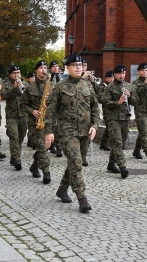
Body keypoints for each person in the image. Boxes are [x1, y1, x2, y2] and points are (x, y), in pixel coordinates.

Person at [44, 53, 100, 213]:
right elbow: (51, 110)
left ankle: (62, 189)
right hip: (67, 132)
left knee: (76, 162)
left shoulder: (88, 86)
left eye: (80, 65)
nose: (78, 67)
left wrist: (95, 125)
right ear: (67, 68)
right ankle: (82, 198)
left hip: (85, 132)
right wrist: (49, 131)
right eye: (74, 65)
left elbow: (95, 107)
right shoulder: (60, 86)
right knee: (76, 162)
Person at [101, 64, 139, 178]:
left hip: (125, 119)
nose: (121, 75)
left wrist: (130, 95)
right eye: (119, 73)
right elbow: (104, 101)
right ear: (115, 74)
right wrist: (117, 102)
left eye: (123, 73)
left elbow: (136, 101)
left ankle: (111, 164)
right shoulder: (110, 87)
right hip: (113, 119)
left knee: (120, 143)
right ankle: (122, 166)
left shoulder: (129, 86)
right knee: (117, 142)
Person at [20, 60, 53, 184]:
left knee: (42, 147)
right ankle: (46, 172)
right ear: (36, 70)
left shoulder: (52, 85)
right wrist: (32, 111)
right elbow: (22, 104)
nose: (43, 70)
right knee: (42, 146)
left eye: (45, 67)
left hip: (48, 120)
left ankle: (34, 166)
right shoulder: (30, 87)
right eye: (41, 68)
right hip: (35, 123)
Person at [1, 65, 28, 170]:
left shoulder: (24, 84)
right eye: (14, 73)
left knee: (21, 137)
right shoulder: (5, 83)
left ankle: (14, 156)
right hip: (11, 115)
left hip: (23, 115)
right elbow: (3, 95)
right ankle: (17, 159)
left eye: (18, 72)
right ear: (10, 74)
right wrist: (14, 88)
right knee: (14, 137)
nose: (16, 75)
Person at [48, 60, 63, 157]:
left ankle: (59, 148)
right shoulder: (47, 78)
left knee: (58, 127)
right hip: (50, 105)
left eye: (57, 66)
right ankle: (51, 145)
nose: (55, 67)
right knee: (52, 126)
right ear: (50, 68)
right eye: (53, 66)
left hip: (60, 106)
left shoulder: (61, 78)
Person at [98, 71, 114, 152]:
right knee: (109, 126)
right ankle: (104, 143)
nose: (112, 79)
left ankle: (103, 143)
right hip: (107, 109)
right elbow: (100, 98)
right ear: (106, 78)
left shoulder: (115, 86)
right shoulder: (102, 86)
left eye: (112, 78)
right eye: (110, 78)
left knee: (110, 127)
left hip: (114, 108)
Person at [25, 72, 35, 148]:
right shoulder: (26, 86)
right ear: (28, 79)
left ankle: (32, 140)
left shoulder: (36, 86)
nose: (33, 79)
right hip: (27, 109)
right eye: (31, 77)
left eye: (34, 77)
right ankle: (30, 139)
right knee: (30, 126)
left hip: (34, 109)